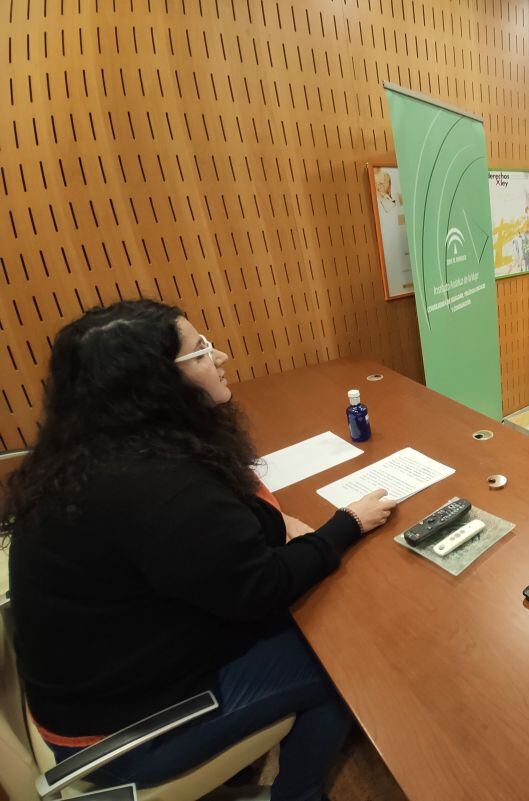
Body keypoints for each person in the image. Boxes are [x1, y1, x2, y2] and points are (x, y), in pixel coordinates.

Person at [2, 300, 399, 799]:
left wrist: (273, 523)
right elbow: (264, 587)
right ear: (156, 384)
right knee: (346, 658)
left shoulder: (93, 454)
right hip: (125, 735)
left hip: (91, 688)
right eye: (201, 351)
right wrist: (345, 525)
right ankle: (300, 793)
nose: (222, 356)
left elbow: (235, 521)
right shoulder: (160, 489)